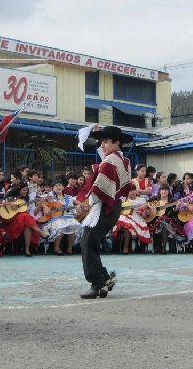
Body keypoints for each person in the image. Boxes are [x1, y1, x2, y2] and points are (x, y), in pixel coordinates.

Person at [76, 126, 132, 299]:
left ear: (117, 142)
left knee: (88, 243)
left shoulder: (110, 161)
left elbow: (101, 187)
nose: (103, 145)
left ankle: (98, 283)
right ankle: (104, 279)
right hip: (113, 207)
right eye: (102, 141)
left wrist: (85, 203)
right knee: (91, 241)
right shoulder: (122, 160)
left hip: (105, 206)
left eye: (106, 141)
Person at [37, 179, 83, 256]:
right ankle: (56, 248)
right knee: (60, 225)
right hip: (55, 218)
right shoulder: (49, 196)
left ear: (63, 187)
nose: (58, 187)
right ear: (53, 188)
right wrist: (44, 206)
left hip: (68, 217)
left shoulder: (68, 197)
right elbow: (38, 199)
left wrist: (77, 210)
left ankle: (69, 249)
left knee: (74, 225)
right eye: (56, 186)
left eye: (60, 185)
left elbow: (72, 211)